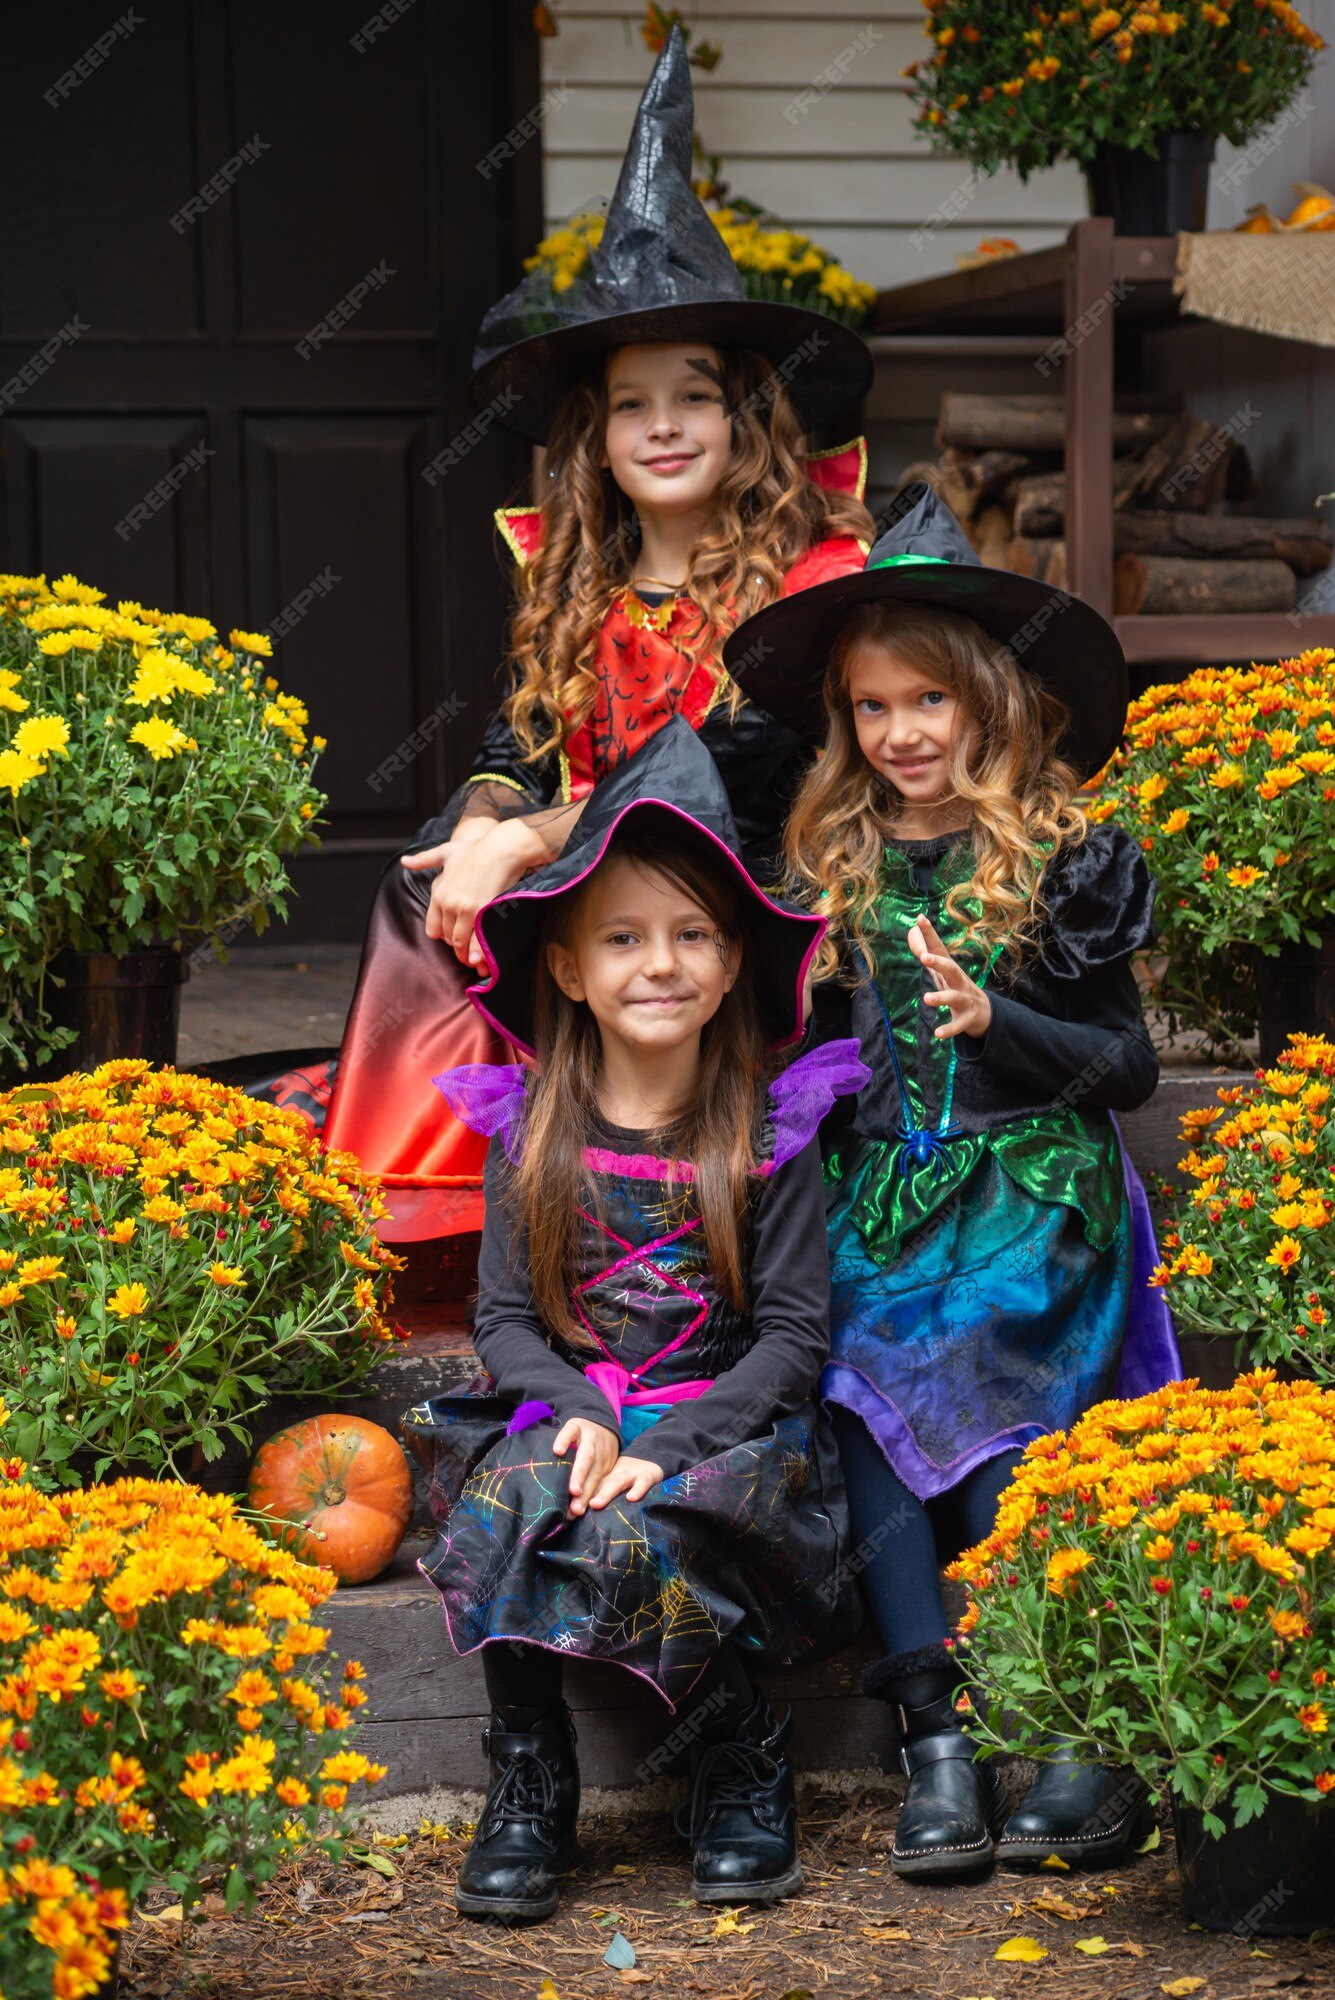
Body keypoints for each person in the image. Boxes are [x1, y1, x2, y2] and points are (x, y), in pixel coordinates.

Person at [310, 24, 875, 1245]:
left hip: (742, 870)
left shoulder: (807, 576)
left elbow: (736, 768)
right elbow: (516, 734)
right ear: (599, 441)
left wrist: (529, 839)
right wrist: (476, 823)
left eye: (695, 396)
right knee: (418, 876)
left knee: (546, 875)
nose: (663, 427)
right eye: (632, 405)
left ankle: (633, 1174)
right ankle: (444, 1192)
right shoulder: (575, 578)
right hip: (580, 857)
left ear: (743, 424)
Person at [721, 482, 1181, 1880]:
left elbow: (1123, 1069)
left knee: (982, 1352)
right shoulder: (829, 866)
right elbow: (805, 1056)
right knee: (849, 1370)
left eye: (926, 702)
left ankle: (1044, 1714)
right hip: (882, 1189)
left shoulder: (1065, 858)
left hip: (1031, 1191)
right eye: (869, 709)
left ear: (984, 701)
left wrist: (997, 1024)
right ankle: (934, 1734)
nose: (900, 734)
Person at [401, 719, 868, 1922]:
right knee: (512, 1491)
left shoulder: (772, 1133)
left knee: (636, 1531)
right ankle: (530, 1764)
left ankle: (734, 1745)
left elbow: (795, 1341)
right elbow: (503, 1318)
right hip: (583, 1411)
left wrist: (668, 1440)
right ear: (565, 967)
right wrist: (569, 1411)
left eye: (692, 934)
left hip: (728, 1436)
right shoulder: (531, 1127)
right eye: (622, 936)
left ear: (729, 966)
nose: (659, 964)